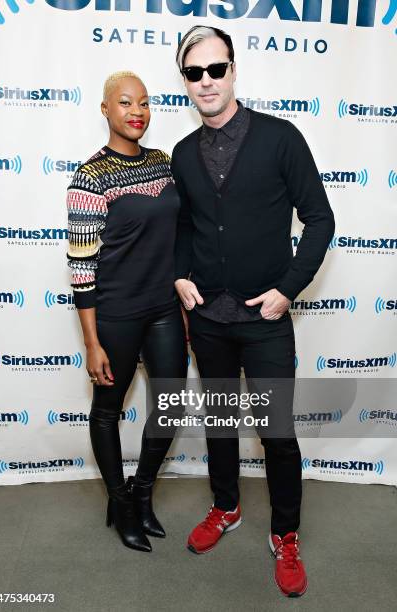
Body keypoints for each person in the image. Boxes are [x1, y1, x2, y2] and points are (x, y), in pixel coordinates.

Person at [172, 26, 335, 596]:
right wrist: (179, 273)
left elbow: (321, 220)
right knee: (219, 423)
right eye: (194, 73)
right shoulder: (184, 153)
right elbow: (187, 224)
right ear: (185, 83)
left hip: (265, 322)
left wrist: (288, 288)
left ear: (233, 70)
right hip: (210, 323)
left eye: (216, 69)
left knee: (278, 433)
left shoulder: (280, 138)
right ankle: (226, 507)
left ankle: (285, 534)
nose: (207, 81)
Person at [66, 71, 187, 553]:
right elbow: (81, 265)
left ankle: (141, 491)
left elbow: (179, 237)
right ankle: (119, 503)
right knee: (108, 410)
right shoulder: (89, 177)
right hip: (115, 313)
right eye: (124, 102)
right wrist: (92, 342)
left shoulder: (163, 164)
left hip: (163, 308)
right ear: (105, 110)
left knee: (170, 403)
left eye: (143, 103)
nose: (136, 111)